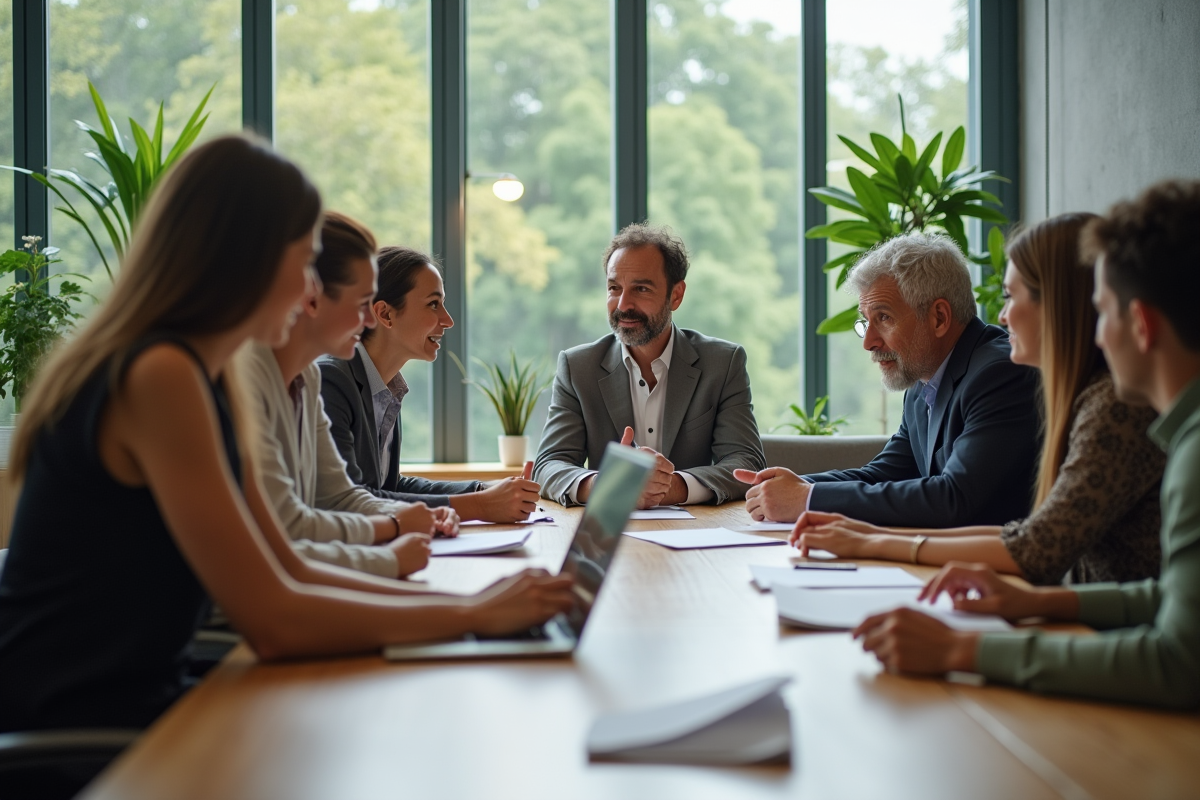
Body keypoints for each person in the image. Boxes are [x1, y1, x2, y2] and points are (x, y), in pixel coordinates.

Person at [0, 136, 573, 744]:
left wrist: (475, 607)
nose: (309, 290)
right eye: (302, 262)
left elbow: (286, 563)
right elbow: (274, 615)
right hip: (80, 726)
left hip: (143, 699)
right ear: (244, 259)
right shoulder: (161, 375)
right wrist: (472, 613)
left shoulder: (205, 375)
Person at [854, 180, 1200, 710]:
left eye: (1103, 311)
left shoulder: (1127, 416)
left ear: (1141, 325)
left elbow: (1177, 663)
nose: (999, 315)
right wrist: (1045, 601)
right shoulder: (1152, 422)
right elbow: (1168, 597)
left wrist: (960, 648)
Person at [790, 214, 1164, 585]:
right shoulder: (926, 379)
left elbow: (1026, 542)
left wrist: (868, 539)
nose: (1001, 315)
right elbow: (1026, 536)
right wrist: (803, 492)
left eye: (1009, 295)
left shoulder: (1103, 403)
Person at [736, 233, 1041, 528]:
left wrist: (808, 498)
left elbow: (954, 497)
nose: (868, 342)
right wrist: (794, 486)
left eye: (883, 318)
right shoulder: (925, 381)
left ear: (939, 318)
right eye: (865, 321)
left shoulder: (1000, 373)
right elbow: (882, 475)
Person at [238, 212, 458, 580]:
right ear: (311, 297)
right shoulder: (256, 376)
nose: (370, 320)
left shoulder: (306, 376)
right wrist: (394, 530)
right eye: (362, 304)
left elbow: (340, 497)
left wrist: (404, 518)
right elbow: (288, 529)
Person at [533, 223, 765, 508]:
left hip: (696, 536)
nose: (623, 304)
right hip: (605, 532)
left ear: (676, 295)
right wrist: (604, 485)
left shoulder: (723, 364)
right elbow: (548, 465)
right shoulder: (578, 367)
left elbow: (746, 463)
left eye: (641, 288)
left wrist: (673, 487)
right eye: (614, 288)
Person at [320, 246, 540, 523]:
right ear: (385, 314)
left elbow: (390, 488)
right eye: (433, 304)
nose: (448, 320)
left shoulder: (384, 387)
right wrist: (480, 506)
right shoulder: (332, 381)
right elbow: (352, 499)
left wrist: (482, 489)